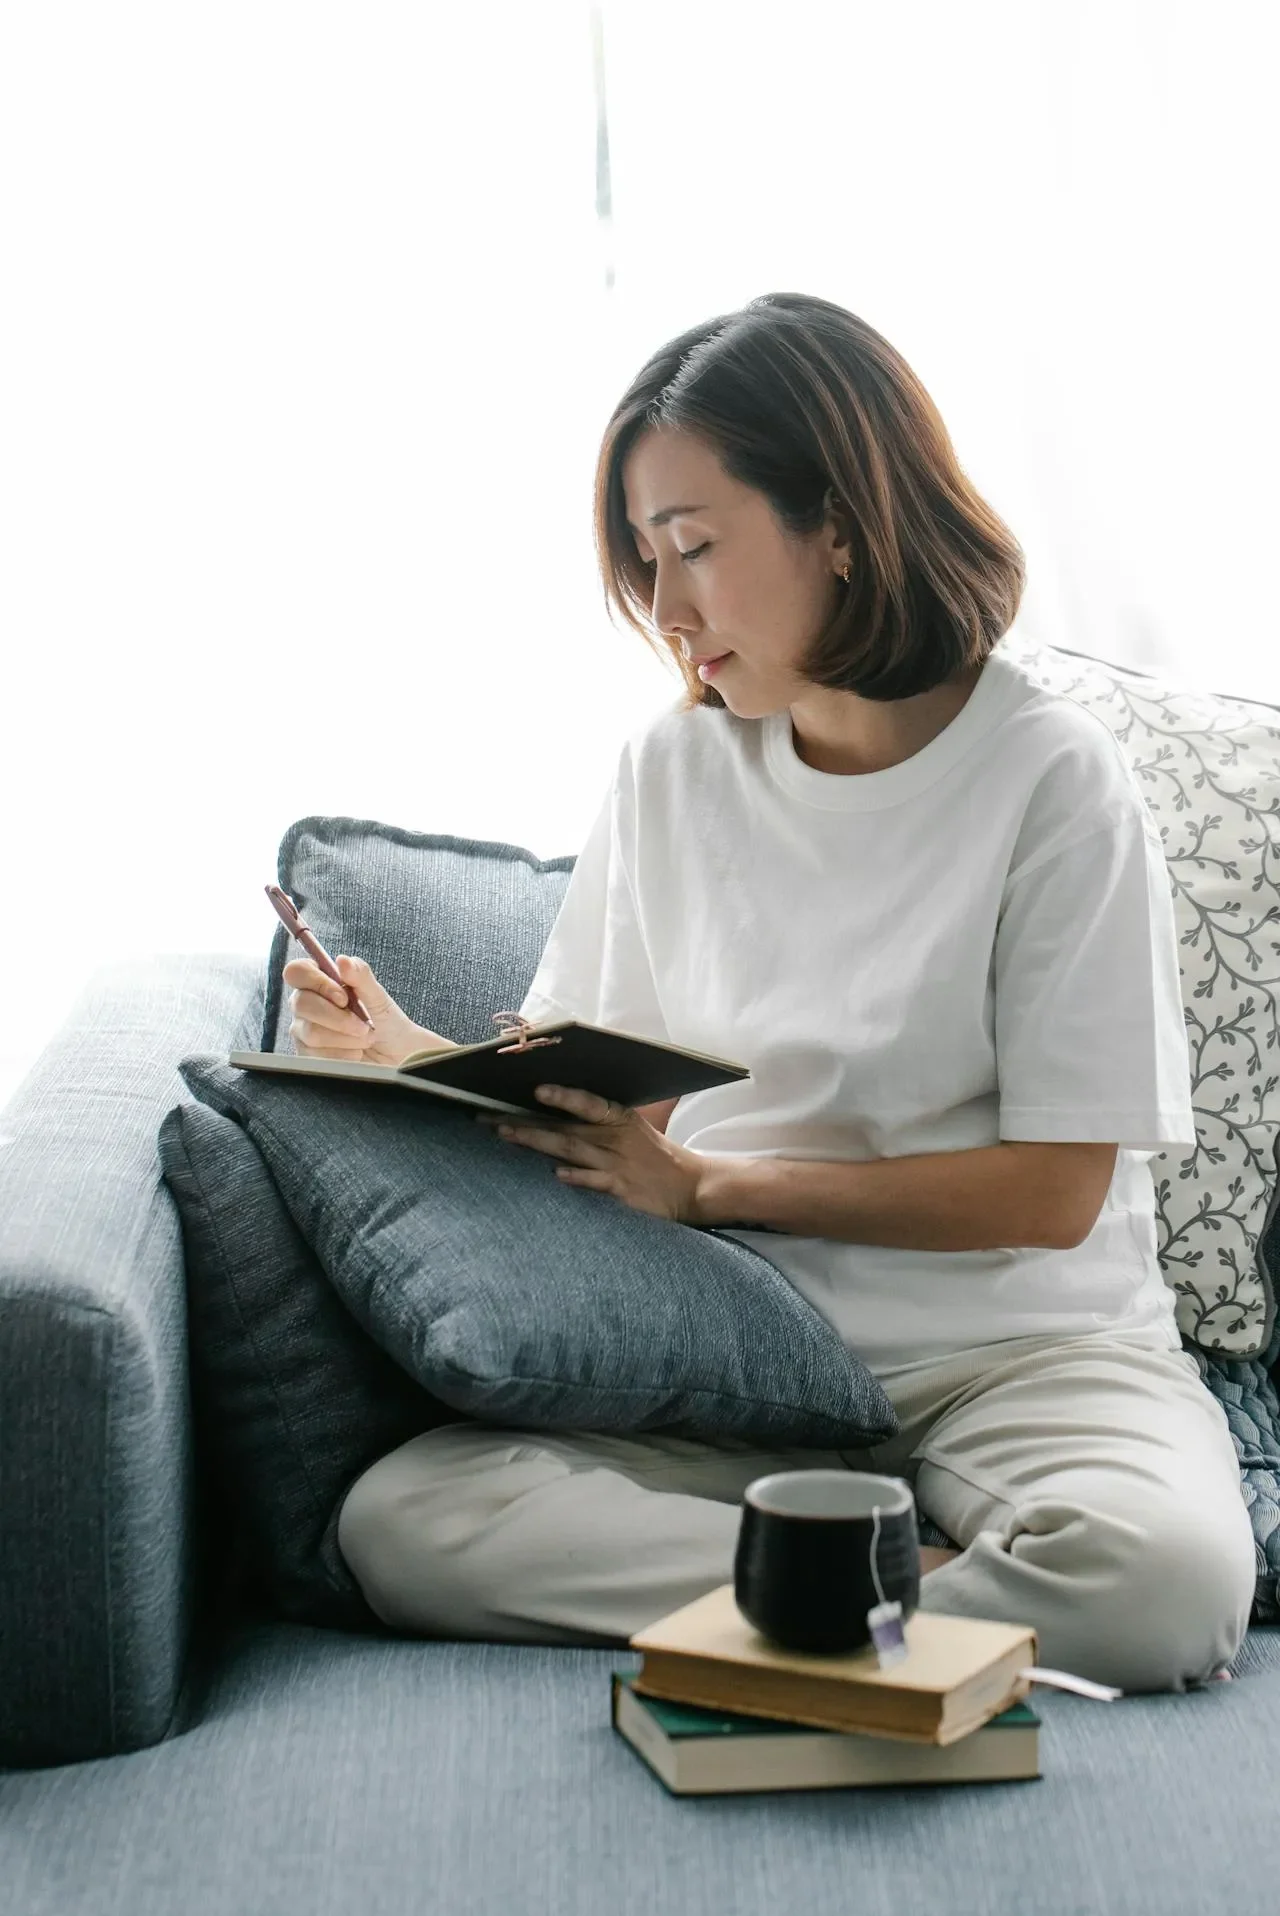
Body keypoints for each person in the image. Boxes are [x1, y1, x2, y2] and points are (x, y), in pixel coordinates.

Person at [287, 292, 1255, 1694]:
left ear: (845, 523)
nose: (666, 610)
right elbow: (605, 1093)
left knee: (1167, 1583)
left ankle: (812, 1596)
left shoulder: (1051, 780)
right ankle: (895, 1593)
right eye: (645, 557)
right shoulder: (670, 775)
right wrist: (413, 1057)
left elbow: (1049, 1193)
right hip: (752, 1353)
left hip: (1026, 1356)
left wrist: (716, 1190)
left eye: (692, 548)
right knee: (412, 1519)